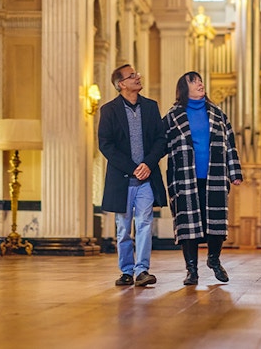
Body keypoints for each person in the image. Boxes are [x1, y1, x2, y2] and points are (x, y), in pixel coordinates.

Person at [163, 71, 243, 285]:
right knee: (188, 224)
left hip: (214, 176)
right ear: (184, 88)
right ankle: (191, 270)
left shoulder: (218, 114)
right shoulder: (173, 116)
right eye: (194, 81)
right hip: (184, 178)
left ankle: (214, 260)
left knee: (215, 222)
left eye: (200, 80)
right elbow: (159, 144)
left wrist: (234, 172)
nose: (200, 83)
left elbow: (230, 145)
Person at [98, 64, 167, 287]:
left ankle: (142, 271)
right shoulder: (109, 111)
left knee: (145, 223)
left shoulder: (150, 107)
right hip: (122, 180)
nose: (138, 77)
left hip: (147, 179)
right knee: (123, 228)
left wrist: (148, 163)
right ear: (122, 84)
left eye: (137, 74)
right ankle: (126, 270)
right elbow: (106, 145)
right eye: (132, 76)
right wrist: (132, 168)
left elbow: (161, 140)